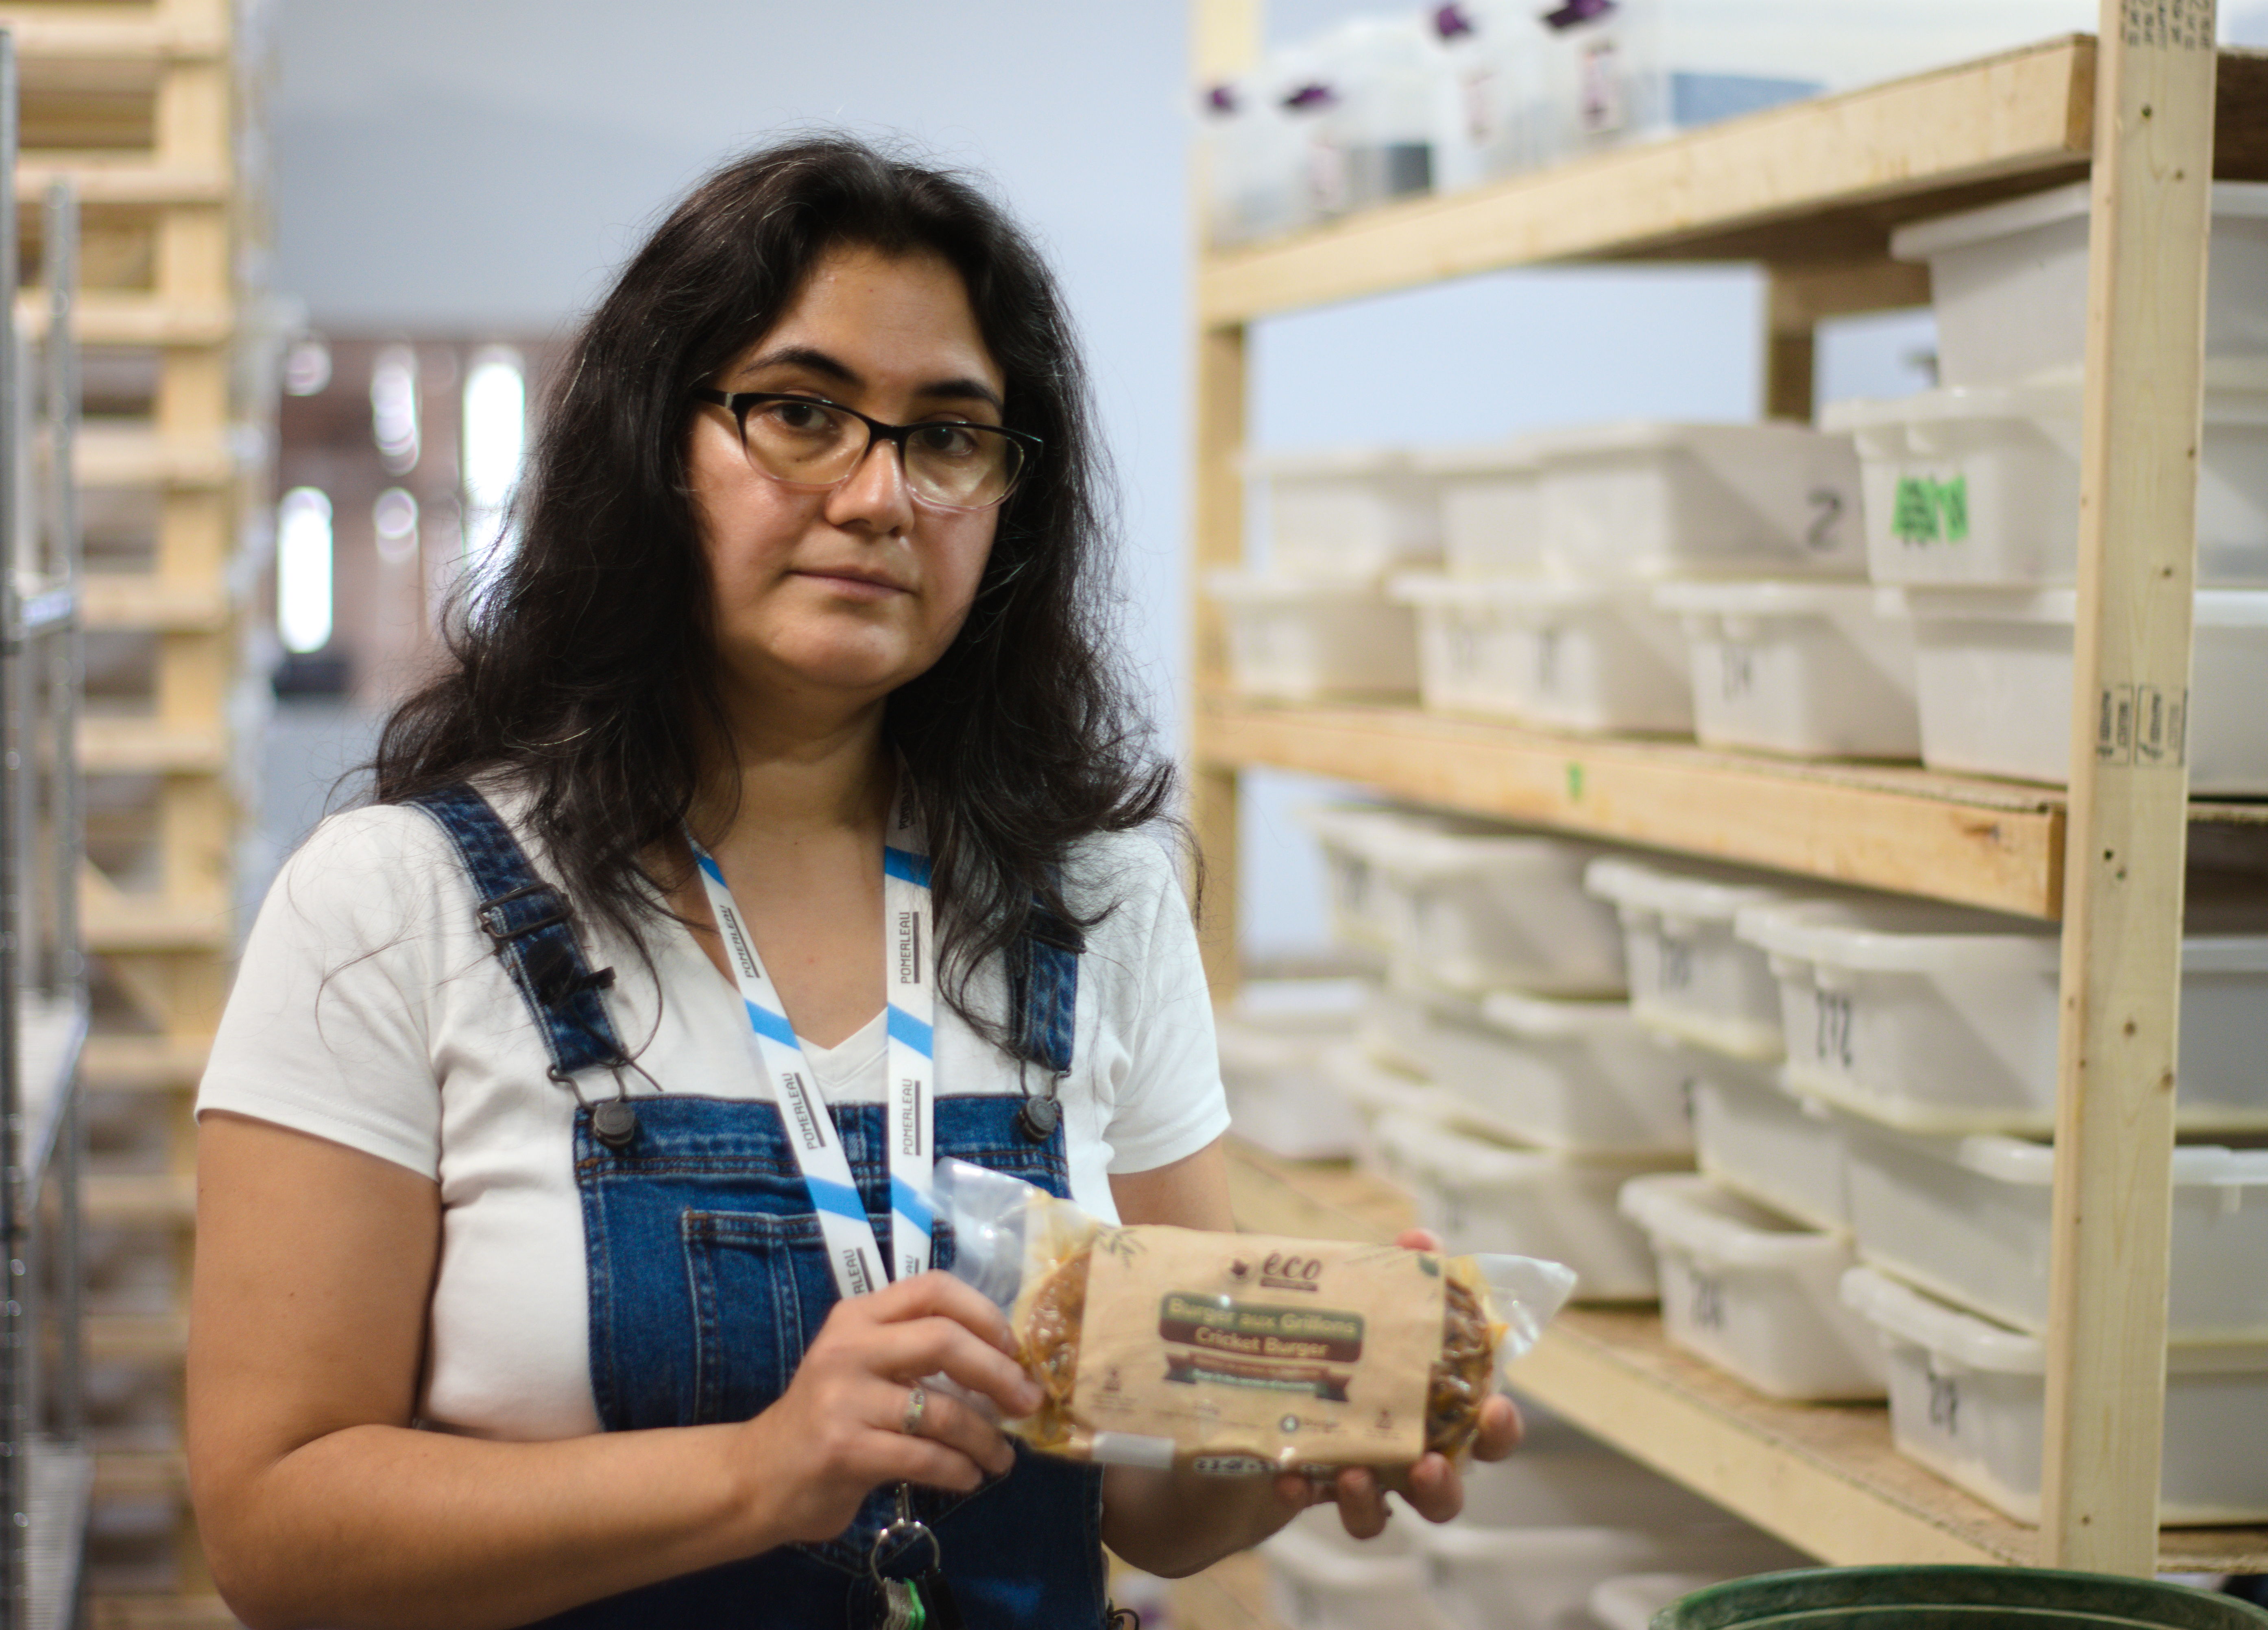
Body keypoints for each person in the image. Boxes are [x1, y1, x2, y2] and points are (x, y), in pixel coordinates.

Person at [188, 135, 1519, 1630]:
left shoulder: (1098, 902)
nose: (882, 496)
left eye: (948, 436)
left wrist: (1295, 1419)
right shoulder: (393, 908)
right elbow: (272, 1524)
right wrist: (758, 1476)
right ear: (652, 448)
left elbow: (1148, 1495)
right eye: (804, 415)